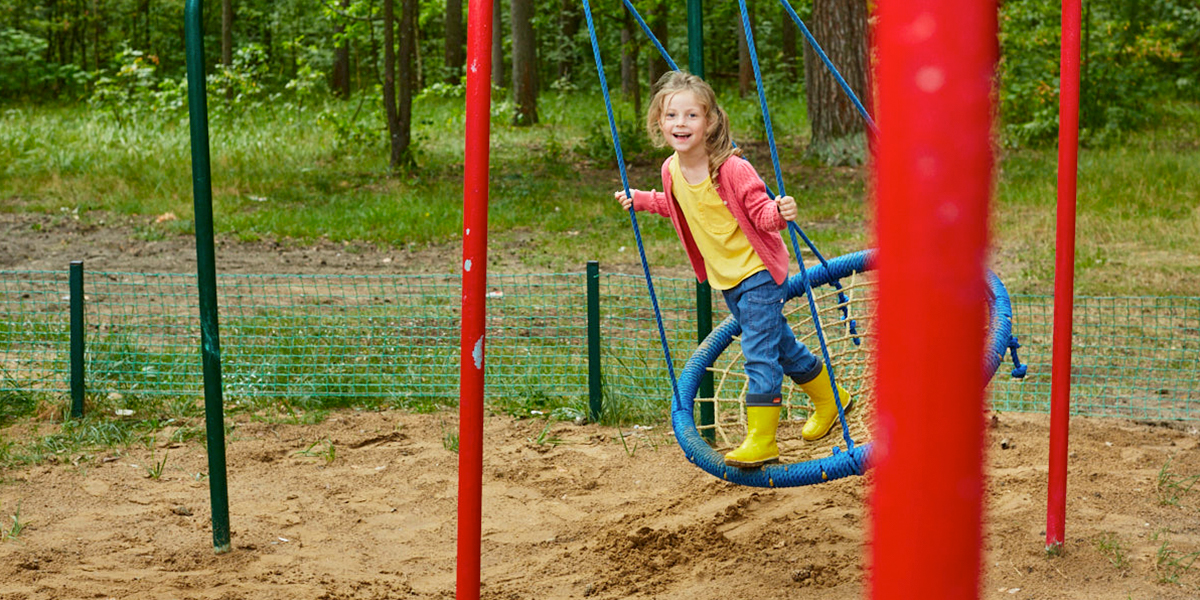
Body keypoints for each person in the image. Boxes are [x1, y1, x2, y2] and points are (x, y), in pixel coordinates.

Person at [614, 70, 849, 469]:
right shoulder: (670, 170)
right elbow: (680, 205)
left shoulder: (731, 168)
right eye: (672, 116)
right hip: (727, 278)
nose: (681, 124)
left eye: (692, 116)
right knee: (780, 347)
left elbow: (760, 212)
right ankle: (832, 398)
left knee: (758, 353)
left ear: (710, 122)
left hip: (756, 271)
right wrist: (642, 200)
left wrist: (779, 212)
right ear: (659, 123)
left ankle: (762, 438)